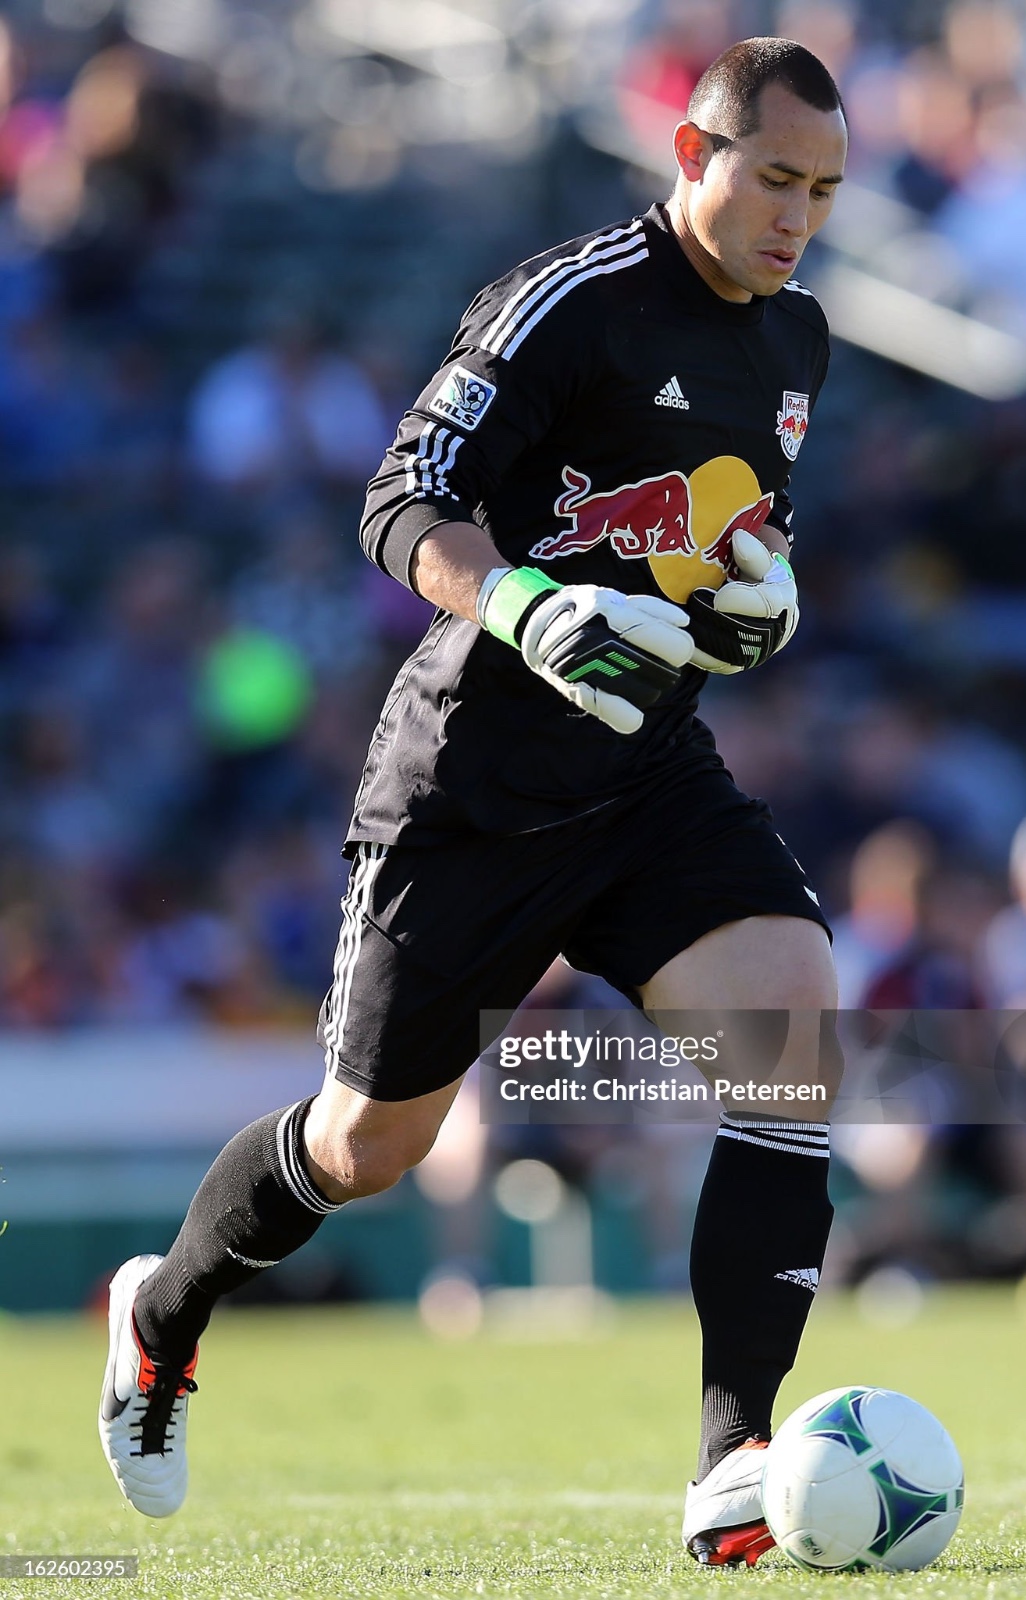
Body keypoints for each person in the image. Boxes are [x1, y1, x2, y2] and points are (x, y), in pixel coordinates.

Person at [98, 37, 848, 1568]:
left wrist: (759, 614)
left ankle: (732, 1464)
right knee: (369, 1149)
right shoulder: (570, 300)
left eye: (825, 192)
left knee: (793, 1028)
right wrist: (521, 605)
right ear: (692, 155)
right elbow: (398, 498)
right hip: (473, 788)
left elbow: (716, 552)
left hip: (644, 771)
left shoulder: (800, 343)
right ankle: (160, 1310)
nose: (796, 217)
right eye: (775, 177)